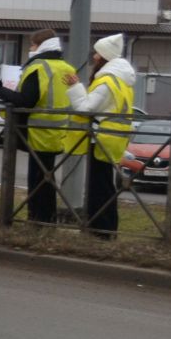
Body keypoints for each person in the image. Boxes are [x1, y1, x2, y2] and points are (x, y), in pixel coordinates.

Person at [0, 28, 81, 224]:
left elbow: (26, 100)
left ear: (40, 46)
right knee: (47, 179)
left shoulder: (38, 68)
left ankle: (38, 220)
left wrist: (0, 90)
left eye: (32, 44)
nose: (30, 48)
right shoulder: (66, 67)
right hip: (59, 130)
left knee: (38, 181)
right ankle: (47, 220)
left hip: (38, 131)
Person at [65, 34, 137, 238]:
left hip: (102, 138)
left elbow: (86, 108)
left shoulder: (107, 81)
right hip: (114, 136)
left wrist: (74, 87)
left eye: (97, 53)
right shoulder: (121, 80)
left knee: (99, 187)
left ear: (105, 56)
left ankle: (100, 231)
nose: (94, 56)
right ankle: (106, 229)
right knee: (105, 186)